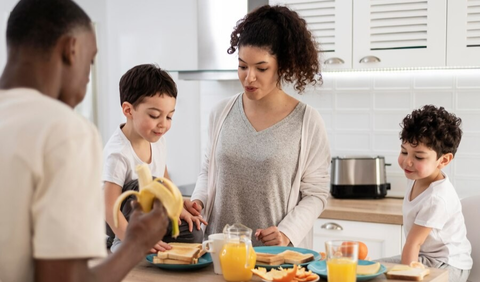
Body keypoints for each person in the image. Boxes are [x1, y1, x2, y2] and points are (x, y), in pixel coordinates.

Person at [0, 1, 169, 281]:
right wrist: (136, 243)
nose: (88, 78)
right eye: (90, 62)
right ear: (71, 50)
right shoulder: (64, 130)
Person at [185, 5, 331, 248]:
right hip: (220, 254)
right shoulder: (220, 113)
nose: (248, 77)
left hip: (276, 259)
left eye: (261, 68)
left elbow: (316, 194)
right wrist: (198, 201)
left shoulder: (307, 122)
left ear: (282, 66)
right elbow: (208, 171)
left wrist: (287, 232)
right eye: (243, 66)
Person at [103, 64, 206, 253]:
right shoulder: (117, 153)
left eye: (169, 117)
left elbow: (166, 183)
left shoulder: (158, 141)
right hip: (117, 220)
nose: (163, 125)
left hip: (150, 217)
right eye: (155, 115)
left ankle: (152, 240)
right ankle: (122, 240)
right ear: (128, 110)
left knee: (194, 233)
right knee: (145, 184)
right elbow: (109, 207)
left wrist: (179, 204)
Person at [378, 105, 472, 282]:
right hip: (423, 258)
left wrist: (405, 277)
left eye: (419, 157)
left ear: (443, 160)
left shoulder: (437, 197)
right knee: (366, 270)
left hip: (448, 266)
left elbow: (413, 243)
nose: (407, 161)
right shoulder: (416, 176)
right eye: (404, 151)